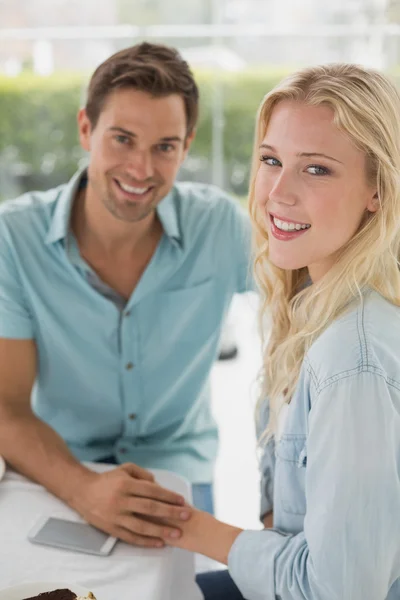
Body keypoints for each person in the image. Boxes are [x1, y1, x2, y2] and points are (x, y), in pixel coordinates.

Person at [158, 63, 400, 599]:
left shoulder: (352, 358)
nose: (277, 193)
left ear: (377, 190)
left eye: (316, 170)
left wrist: (192, 527)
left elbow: (340, 591)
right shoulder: (308, 303)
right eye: (271, 160)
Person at [0, 42, 252, 548]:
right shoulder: (13, 239)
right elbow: (7, 405)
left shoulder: (221, 227)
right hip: (60, 466)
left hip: (179, 468)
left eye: (165, 146)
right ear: (86, 129)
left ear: (186, 145)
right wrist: (84, 489)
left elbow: (314, 306)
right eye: (122, 139)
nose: (141, 169)